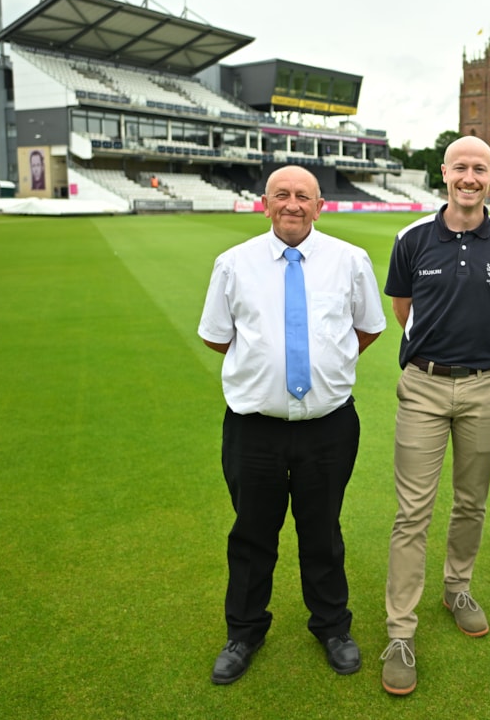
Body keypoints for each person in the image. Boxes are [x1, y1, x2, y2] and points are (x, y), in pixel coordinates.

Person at [197, 165, 386, 686]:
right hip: (253, 427)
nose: (292, 204)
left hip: (328, 425)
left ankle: (332, 627)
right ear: (265, 203)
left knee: (322, 531)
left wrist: (323, 371)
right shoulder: (234, 264)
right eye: (282, 194)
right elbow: (218, 336)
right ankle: (244, 632)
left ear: (319, 206)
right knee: (252, 534)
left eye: (303, 196)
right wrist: (267, 371)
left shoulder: (350, 260)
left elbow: (367, 328)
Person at [380, 135, 490, 697]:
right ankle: (400, 631)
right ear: (443, 172)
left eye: (480, 168)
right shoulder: (412, 238)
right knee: (412, 512)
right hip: (422, 387)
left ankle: (457, 587)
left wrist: (479, 358)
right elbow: (403, 309)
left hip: (485, 388)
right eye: (459, 167)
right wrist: (434, 357)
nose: (469, 177)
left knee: (471, 502)